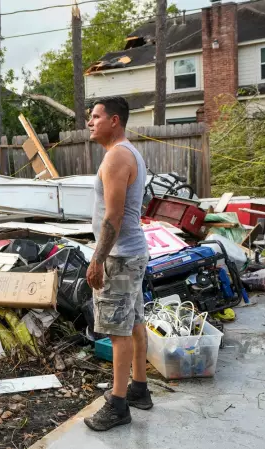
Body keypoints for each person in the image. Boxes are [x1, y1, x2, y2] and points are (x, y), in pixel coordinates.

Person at [83, 97, 152, 431]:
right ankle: (139, 387)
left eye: (95, 116)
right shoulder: (128, 152)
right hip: (130, 255)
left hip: (120, 258)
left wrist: (98, 260)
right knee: (133, 321)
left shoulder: (116, 157)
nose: (89, 122)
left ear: (114, 120)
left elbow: (114, 216)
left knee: (116, 330)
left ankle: (118, 405)